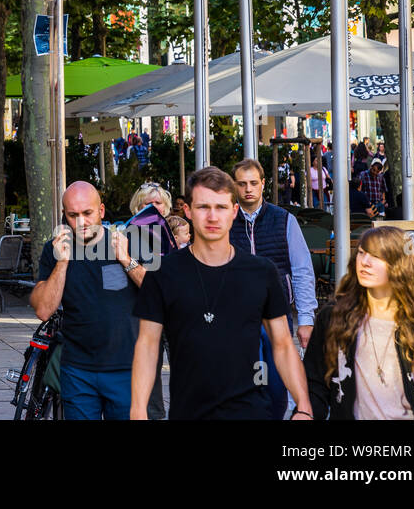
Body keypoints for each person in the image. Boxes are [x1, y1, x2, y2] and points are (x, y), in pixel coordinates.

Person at [132, 166, 313, 421]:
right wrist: (137, 410)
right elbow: (147, 344)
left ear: (234, 212)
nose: (213, 217)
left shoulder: (261, 272)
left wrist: (303, 406)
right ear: (188, 211)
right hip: (188, 412)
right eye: (204, 207)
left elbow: (283, 344)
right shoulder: (163, 273)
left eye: (221, 207)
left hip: (251, 412)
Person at [305, 226, 414, 419]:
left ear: (399, 264)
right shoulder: (334, 317)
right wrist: (305, 413)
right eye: (361, 253)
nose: (365, 262)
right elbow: (315, 383)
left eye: (377, 256)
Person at [31, 181, 150, 420]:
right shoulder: (54, 249)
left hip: (127, 367)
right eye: (73, 215)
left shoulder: (130, 241)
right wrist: (62, 263)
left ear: (101, 211)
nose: (82, 222)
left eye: (88, 213)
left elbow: (161, 294)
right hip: (78, 369)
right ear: (64, 215)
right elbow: (43, 309)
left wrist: (126, 261)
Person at [230, 157, 319, 419]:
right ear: (234, 186)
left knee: (277, 384)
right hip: (236, 315)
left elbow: (302, 270)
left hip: (276, 315)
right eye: (242, 183)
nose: (248, 189)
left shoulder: (284, 219)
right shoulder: (226, 219)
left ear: (263, 184)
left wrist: (306, 318)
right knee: (242, 382)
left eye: (253, 183)